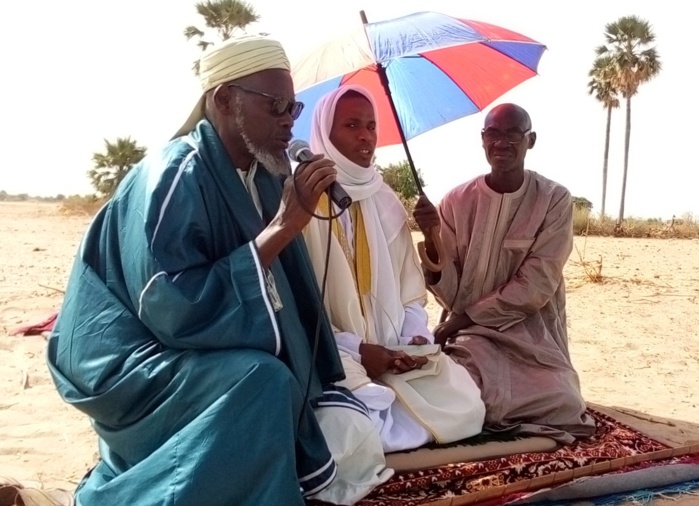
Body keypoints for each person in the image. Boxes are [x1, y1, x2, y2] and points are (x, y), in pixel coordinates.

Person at [46, 36, 391, 506]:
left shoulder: (263, 176)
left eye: (294, 107)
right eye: (276, 106)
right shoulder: (174, 175)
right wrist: (286, 225)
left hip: (184, 345)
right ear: (224, 99)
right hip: (122, 362)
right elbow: (174, 307)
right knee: (262, 382)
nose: (289, 120)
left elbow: (287, 296)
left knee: (336, 415)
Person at [302, 85, 485, 454]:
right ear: (326, 132)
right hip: (332, 353)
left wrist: (413, 335)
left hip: (392, 350)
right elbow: (301, 309)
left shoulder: (384, 198)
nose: (365, 136)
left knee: (466, 401)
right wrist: (357, 349)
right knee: (353, 425)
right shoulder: (301, 202)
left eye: (371, 125)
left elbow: (409, 291)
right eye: (352, 125)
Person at [413, 103, 596, 444]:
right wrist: (431, 235)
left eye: (513, 134)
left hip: (531, 336)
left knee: (565, 403)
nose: (502, 143)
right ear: (483, 140)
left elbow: (537, 284)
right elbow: (450, 292)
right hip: (470, 338)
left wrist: (460, 319)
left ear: (531, 141)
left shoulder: (553, 199)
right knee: (463, 392)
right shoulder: (455, 201)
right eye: (494, 134)